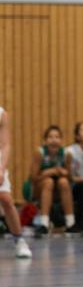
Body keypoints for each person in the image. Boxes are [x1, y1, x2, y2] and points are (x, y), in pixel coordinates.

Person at [30, 125, 79, 236]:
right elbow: (32, 178)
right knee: (49, 182)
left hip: (59, 191)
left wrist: (66, 173)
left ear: (61, 140)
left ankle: (70, 223)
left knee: (64, 182)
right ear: (45, 140)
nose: (54, 140)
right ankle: (44, 224)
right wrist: (47, 172)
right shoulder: (40, 153)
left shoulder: (66, 154)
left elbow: (71, 178)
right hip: (39, 189)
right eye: (50, 137)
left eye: (57, 137)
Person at [0, 106, 32, 258]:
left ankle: (19, 241)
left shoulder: (1, 113)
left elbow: (6, 144)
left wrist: (1, 168)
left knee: (6, 199)